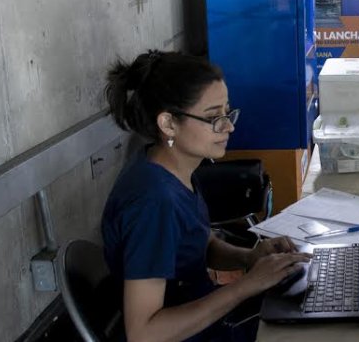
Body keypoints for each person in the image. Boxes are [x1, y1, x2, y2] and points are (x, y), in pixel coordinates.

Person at [101, 50, 310, 342]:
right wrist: (245, 286)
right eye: (214, 118)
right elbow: (143, 333)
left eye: (227, 112)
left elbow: (194, 242)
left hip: (210, 318)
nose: (229, 126)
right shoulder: (153, 202)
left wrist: (249, 257)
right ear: (168, 124)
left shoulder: (171, 167)